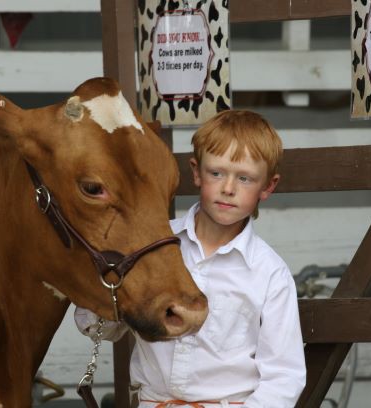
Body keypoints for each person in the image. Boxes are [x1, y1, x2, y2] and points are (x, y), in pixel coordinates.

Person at [75, 109, 306, 407]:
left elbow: (284, 377)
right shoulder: (154, 246)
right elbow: (101, 327)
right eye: (217, 173)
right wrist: (100, 290)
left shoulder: (269, 273)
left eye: (245, 178)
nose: (228, 188)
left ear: (268, 186)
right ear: (196, 172)